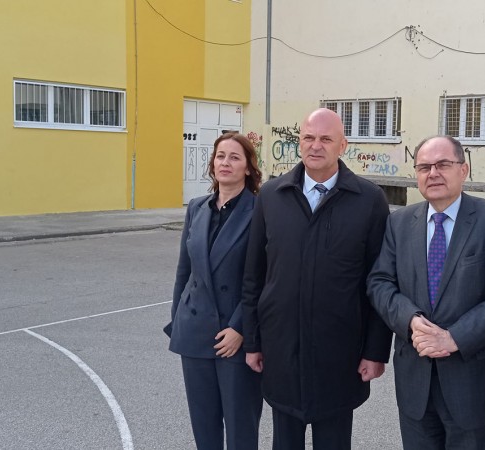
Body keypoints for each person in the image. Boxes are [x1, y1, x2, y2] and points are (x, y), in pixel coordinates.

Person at [241, 108, 392, 450]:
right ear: (299, 143)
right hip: (281, 351)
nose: (315, 146)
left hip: (340, 355)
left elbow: (380, 282)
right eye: (308, 138)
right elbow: (254, 275)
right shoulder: (271, 196)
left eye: (326, 139)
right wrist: (253, 341)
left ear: (343, 145)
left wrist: (375, 350)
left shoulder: (369, 201)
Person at [367, 135, 485, 449]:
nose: (433, 173)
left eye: (443, 164)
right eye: (424, 167)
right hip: (415, 383)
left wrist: (454, 337)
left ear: (464, 170)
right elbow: (379, 283)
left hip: (475, 383)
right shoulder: (399, 223)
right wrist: (411, 319)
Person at [165, 132, 264, 450]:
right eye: (221, 156)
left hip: (234, 336)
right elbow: (185, 271)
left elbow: (266, 277)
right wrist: (178, 319)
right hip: (195, 333)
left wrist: (240, 328)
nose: (226, 163)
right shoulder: (196, 208)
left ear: (248, 167)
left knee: (240, 429)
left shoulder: (261, 210)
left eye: (235, 157)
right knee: (204, 427)